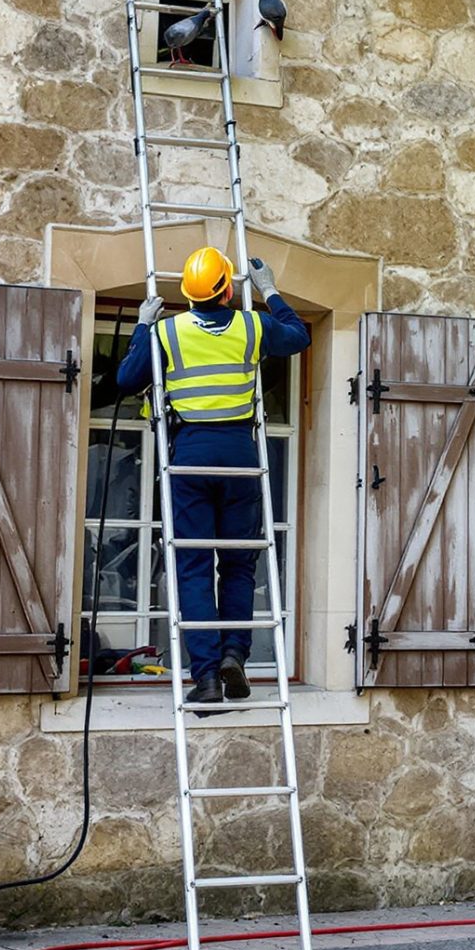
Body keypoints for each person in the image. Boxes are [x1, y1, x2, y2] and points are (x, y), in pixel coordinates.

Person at [116, 246, 310, 707]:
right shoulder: (251, 325)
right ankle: (234, 657)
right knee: (239, 564)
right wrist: (270, 292)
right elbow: (299, 337)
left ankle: (205, 677)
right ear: (227, 290)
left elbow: (126, 379)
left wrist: (143, 325)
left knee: (194, 566)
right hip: (240, 457)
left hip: (190, 458)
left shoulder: (167, 332)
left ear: (186, 294)